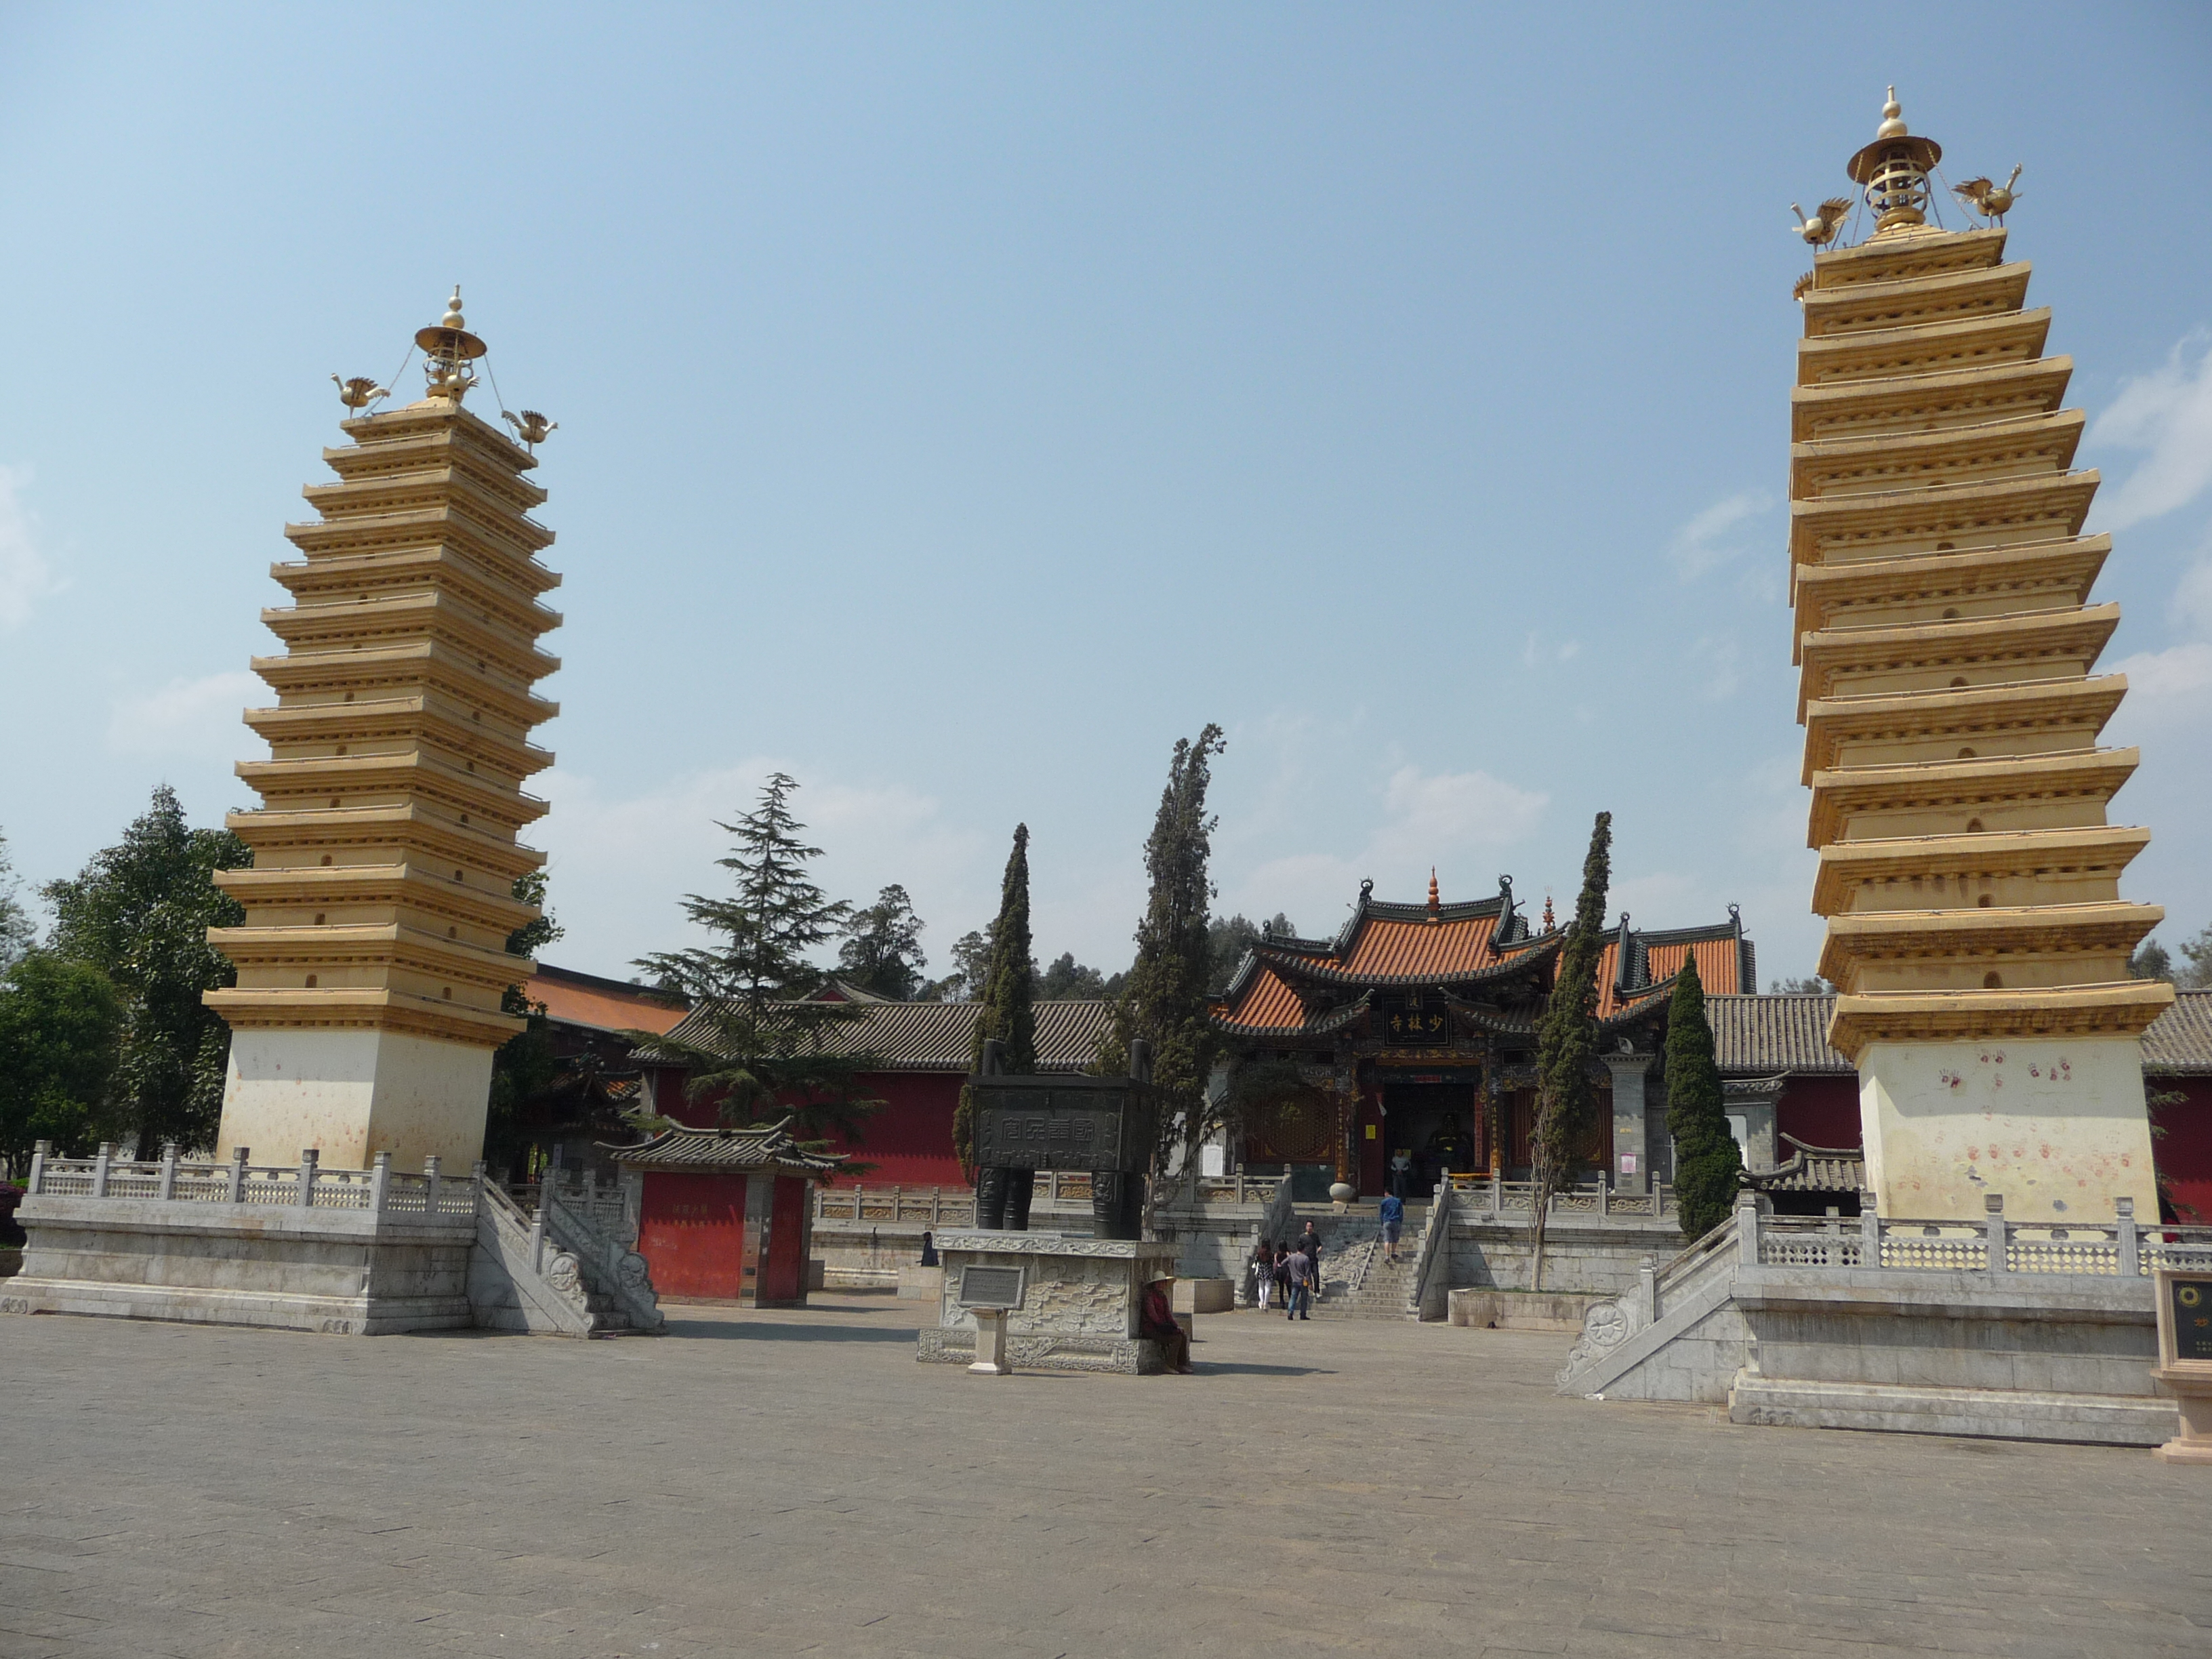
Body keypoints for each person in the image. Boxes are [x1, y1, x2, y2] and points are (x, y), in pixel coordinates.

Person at [1139, 1275, 1193, 1372]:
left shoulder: (1163, 1297)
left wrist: (1175, 1327)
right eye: (1158, 1283)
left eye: (1163, 1283)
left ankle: (1181, 1364)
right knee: (1176, 1339)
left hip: (1162, 1327)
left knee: (1182, 1335)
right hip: (1151, 1329)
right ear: (1154, 1284)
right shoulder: (1150, 1297)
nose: (1161, 1285)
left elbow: (1168, 1315)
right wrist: (1165, 1327)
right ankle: (1169, 1365)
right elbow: (1153, 1315)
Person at [1281, 1244, 1313, 1319]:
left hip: (1294, 1280)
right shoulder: (1305, 1258)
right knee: (1304, 1298)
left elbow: (1282, 1263)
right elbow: (1308, 1272)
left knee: (1293, 1297)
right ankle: (1303, 1314)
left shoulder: (1291, 1257)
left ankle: (1290, 1312)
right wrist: (1310, 1283)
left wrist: (1290, 1268)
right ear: (1304, 1249)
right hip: (1303, 1280)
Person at [1378, 1189, 1405, 1264]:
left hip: (1387, 1221)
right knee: (1395, 1239)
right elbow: (1401, 1213)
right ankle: (1393, 1252)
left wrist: (1382, 1222)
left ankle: (1387, 1256)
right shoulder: (1398, 1201)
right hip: (1396, 1221)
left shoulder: (1384, 1202)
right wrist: (1400, 1221)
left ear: (1387, 1193)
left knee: (1387, 1239)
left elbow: (1381, 1213)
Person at [1250, 1238, 1275, 1311]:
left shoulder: (1259, 1253)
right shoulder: (1270, 1253)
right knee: (1268, 1287)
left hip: (1261, 1270)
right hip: (1268, 1270)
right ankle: (1266, 1303)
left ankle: (1262, 1301)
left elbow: (1256, 1261)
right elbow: (1272, 1262)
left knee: (1261, 1287)